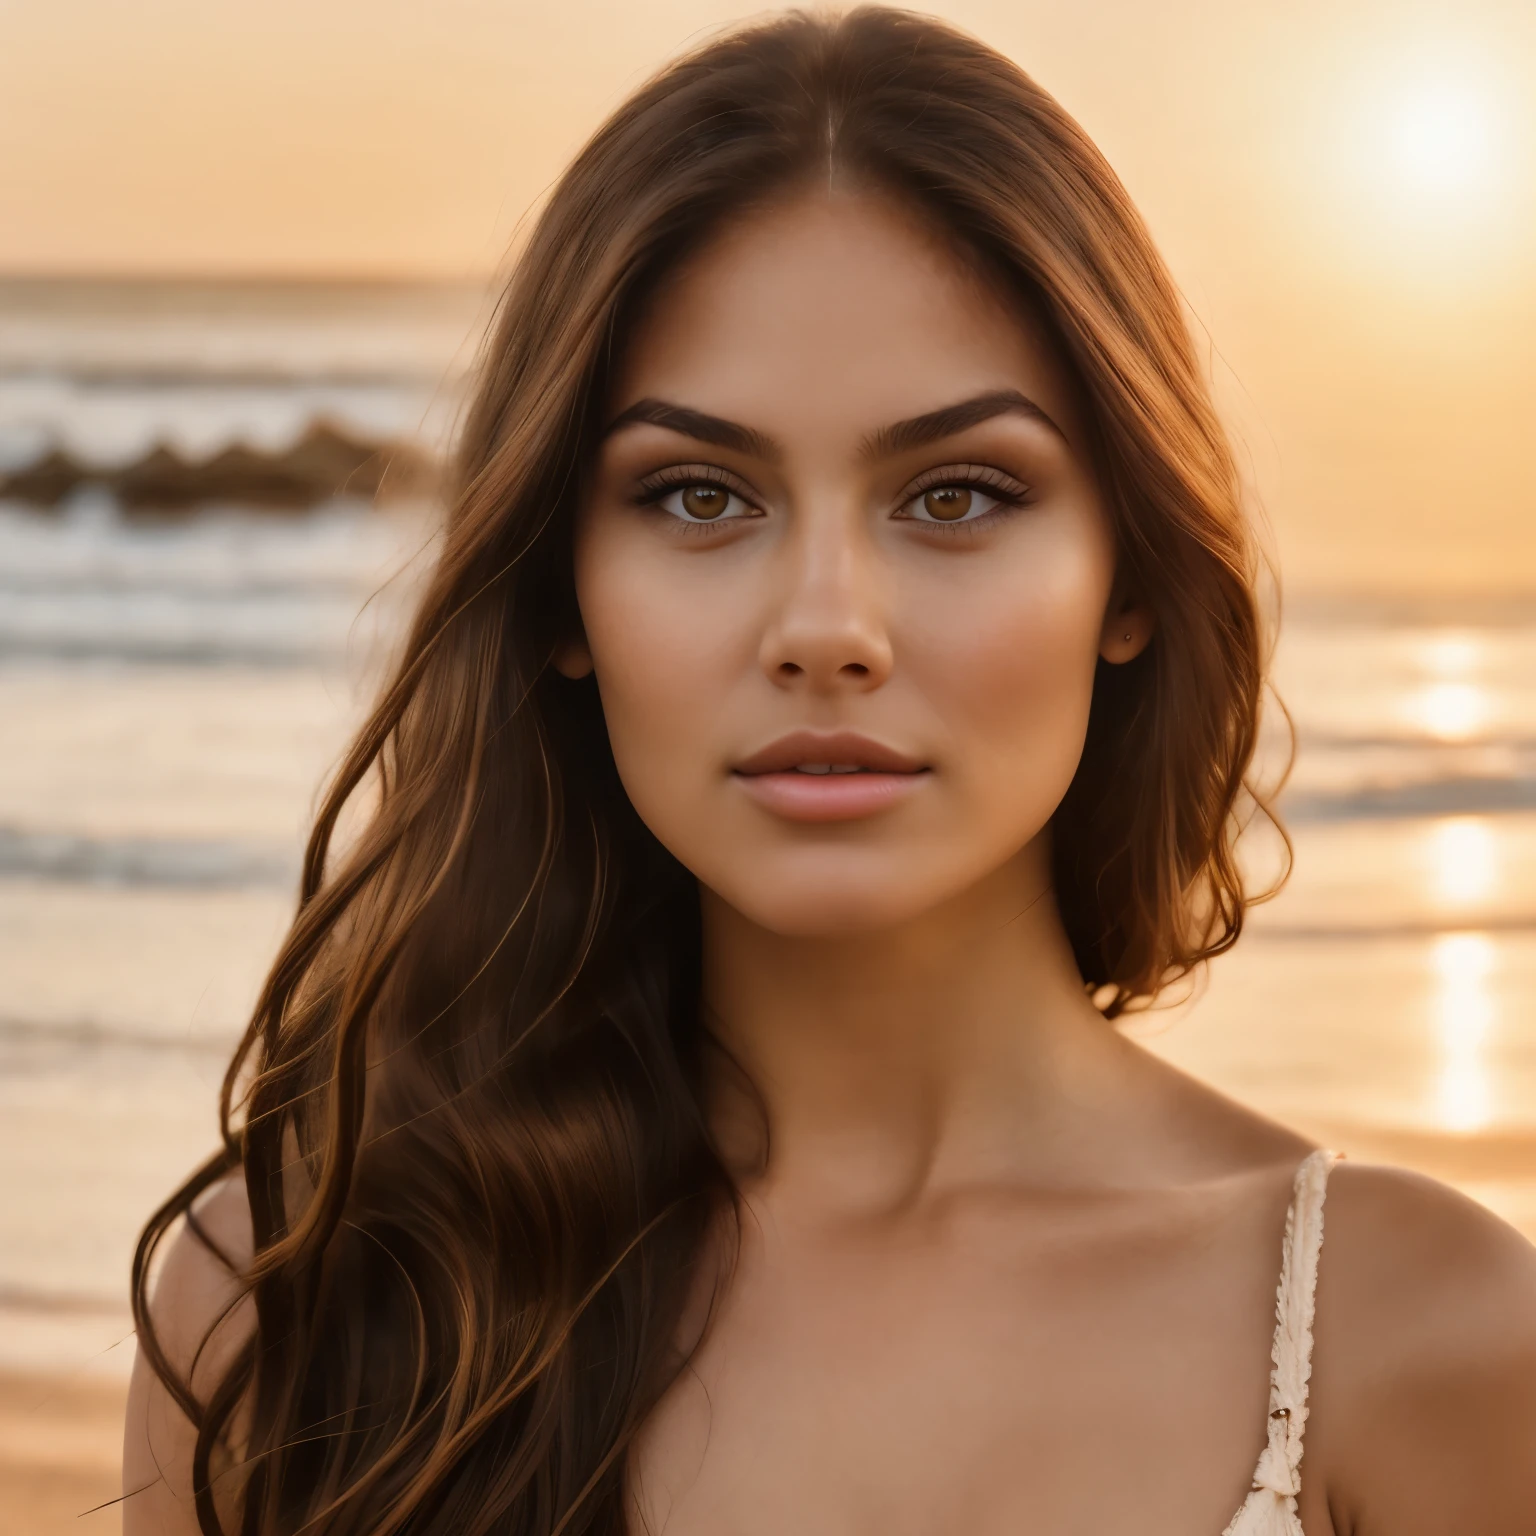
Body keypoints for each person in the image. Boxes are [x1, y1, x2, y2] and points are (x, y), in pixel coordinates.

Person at [123, 9, 1536, 1534]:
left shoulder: (1419, 1346)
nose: (826, 629)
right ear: (561, 598)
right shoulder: (299, 1300)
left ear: (1129, 576)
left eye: (955, 493)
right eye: (698, 496)